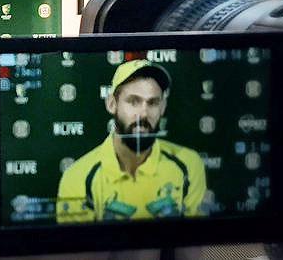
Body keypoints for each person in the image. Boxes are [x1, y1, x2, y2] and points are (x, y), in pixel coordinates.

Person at [56, 59, 206, 222]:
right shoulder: (78, 177)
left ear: (162, 108)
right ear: (112, 104)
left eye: (153, 103)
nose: (143, 113)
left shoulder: (189, 165)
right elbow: (79, 247)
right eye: (133, 101)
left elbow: (191, 244)